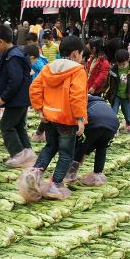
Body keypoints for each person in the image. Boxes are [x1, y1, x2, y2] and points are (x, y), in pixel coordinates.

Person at [28, 35, 88, 199]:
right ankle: (55, 184)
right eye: (82, 55)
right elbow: (77, 96)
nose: (82, 58)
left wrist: (39, 109)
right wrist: (80, 118)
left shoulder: (49, 67)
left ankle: (35, 172)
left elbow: (35, 87)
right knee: (66, 153)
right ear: (76, 53)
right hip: (67, 119)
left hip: (49, 116)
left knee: (50, 146)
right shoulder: (78, 70)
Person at [0, 25, 36, 168]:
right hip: (21, 99)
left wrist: (4, 98)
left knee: (6, 125)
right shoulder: (12, 54)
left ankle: (18, 155)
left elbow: (15, 81)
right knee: (19, 126)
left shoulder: (13, 57)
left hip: (16, 99)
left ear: (0, 42)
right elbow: (4, 76)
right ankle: (27, 153)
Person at [65, 95, 119, 186]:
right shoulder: (103, 104)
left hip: (94, 123)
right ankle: (97, 175)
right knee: (102, 148)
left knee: (82, 145)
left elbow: (80, 130)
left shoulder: (85, 103)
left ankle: (70, 174)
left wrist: (80, 151)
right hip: (113, 125)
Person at [104, 49, 130, 133]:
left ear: (128, 60)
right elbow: (109, 82)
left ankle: (128, 123)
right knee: (113, 113)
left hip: (126, 95)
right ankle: (113, 128)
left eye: (123, 64)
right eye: (119, 64)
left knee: (127, 113)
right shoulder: (113, 70)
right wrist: (106, 93)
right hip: (116, 95)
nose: (121, 65)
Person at [23, 44, 49, 142]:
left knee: (44, 115)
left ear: (32, 57)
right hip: (37, 92)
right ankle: (39, 133)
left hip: (40, 93)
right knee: (45, 116)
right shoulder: (38, 62)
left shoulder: (38, 65)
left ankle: (39, 134)